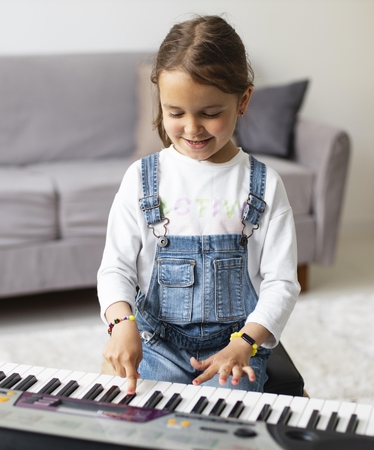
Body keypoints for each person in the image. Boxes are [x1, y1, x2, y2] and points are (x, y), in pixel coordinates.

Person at [97, 15, 299, 397]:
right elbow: (115, 269)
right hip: (156, 345)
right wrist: (122, 323)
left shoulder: (265, 185)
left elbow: (282, 284)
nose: (191, 128)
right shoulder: (141, 179)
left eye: (210, 113)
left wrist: (244, 344)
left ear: (243, 100)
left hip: (236, 349)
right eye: (175, 113)